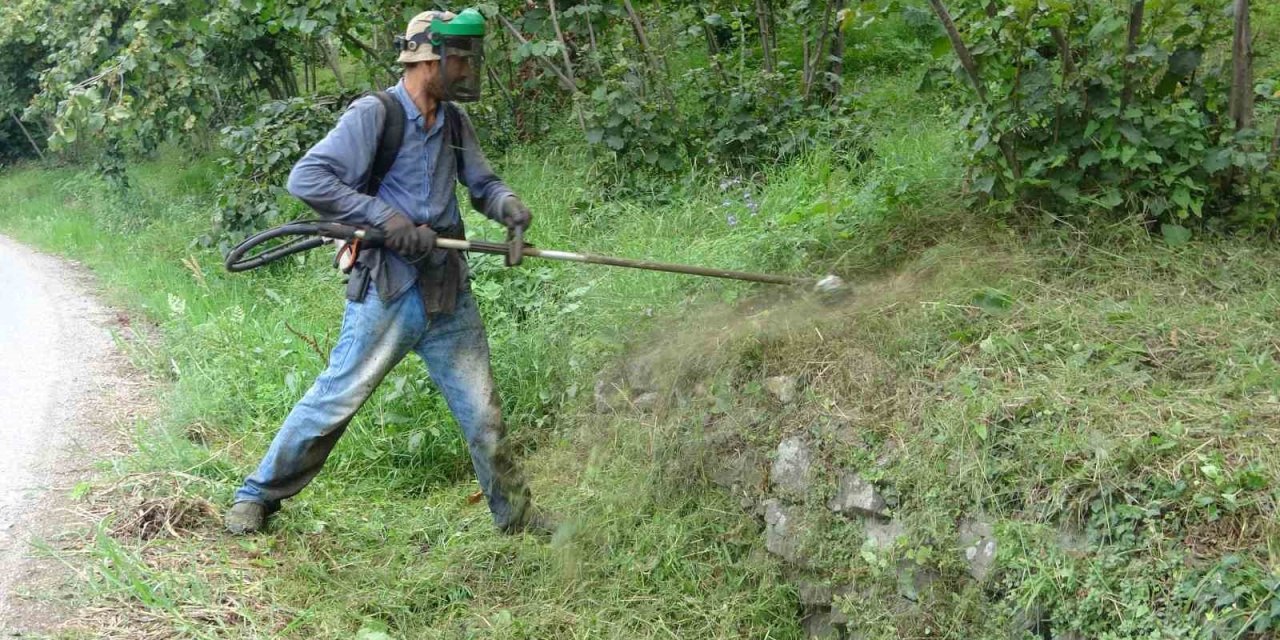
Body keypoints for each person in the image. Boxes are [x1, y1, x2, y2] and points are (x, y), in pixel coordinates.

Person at [224, 9, 553, 536]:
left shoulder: (453, 121)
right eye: (459, 58)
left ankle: (515, 517)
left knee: (484, 416)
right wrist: (386, 218)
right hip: (389, 289)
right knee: (336, 399)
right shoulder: (375, 115)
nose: (467, 69)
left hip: (448, 291)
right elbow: (306, 177)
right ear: (427, 59)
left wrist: (509, 207)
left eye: (469, 59)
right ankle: (256, 496)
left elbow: (482, 183)